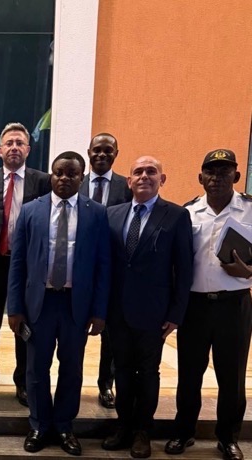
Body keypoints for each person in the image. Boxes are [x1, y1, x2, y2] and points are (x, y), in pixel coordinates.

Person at [7, 151, 110, 456]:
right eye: (59, 173)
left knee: (72, 369)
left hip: (75, 306)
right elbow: (17, 263)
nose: (64, 178)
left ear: (82, 177)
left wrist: (99, 311)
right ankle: (39, 425)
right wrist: (14, 308)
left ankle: (64, 425)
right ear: (51, 175)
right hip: (39, 305)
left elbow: (103, 266)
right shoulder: (31, 211)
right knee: (36, 368)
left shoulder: (97, 213)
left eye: (72, 174)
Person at [103, 156, 193, 459]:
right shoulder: (112, 214)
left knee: (148, 373)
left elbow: (184, 268)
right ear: (129, 181)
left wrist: (176, 313)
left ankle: (143, 431)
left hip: (154, 313)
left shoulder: (177, 216)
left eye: (151, 171)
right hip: (117, 312)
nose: (144, 176)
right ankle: (123, 426)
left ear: (162, 179)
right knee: (121, 370)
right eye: (138, 172)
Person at [165, 149, 252, 460]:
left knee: (232, 376)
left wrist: (249, 271)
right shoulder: (187, 212)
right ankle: (183, 432)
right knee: (189, 374)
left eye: (224, 172)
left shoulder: (250, 209)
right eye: (211, 172)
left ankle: (228, 438)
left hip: (234, 305)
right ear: (200, 177)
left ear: (236, 176)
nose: (217, 178)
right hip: (195, 306)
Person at [0, 122, 51, 407]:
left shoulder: (43, 181)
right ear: (0, 150)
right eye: (9, 143)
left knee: (24, 327)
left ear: (28, 149)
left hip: (27, 268)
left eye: (19, 143)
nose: (14, 147)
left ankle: (23, 383)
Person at [79, 132, 132, 409]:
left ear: (116, 154)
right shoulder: (75, 182)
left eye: (107, 150)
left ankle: (105, 384)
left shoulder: (127, 186)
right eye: (97, 150)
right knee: (75, 332)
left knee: (110, 334)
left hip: (113, 272)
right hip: (79, 272)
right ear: (88, 152)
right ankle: (70, 382)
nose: (101, 155)